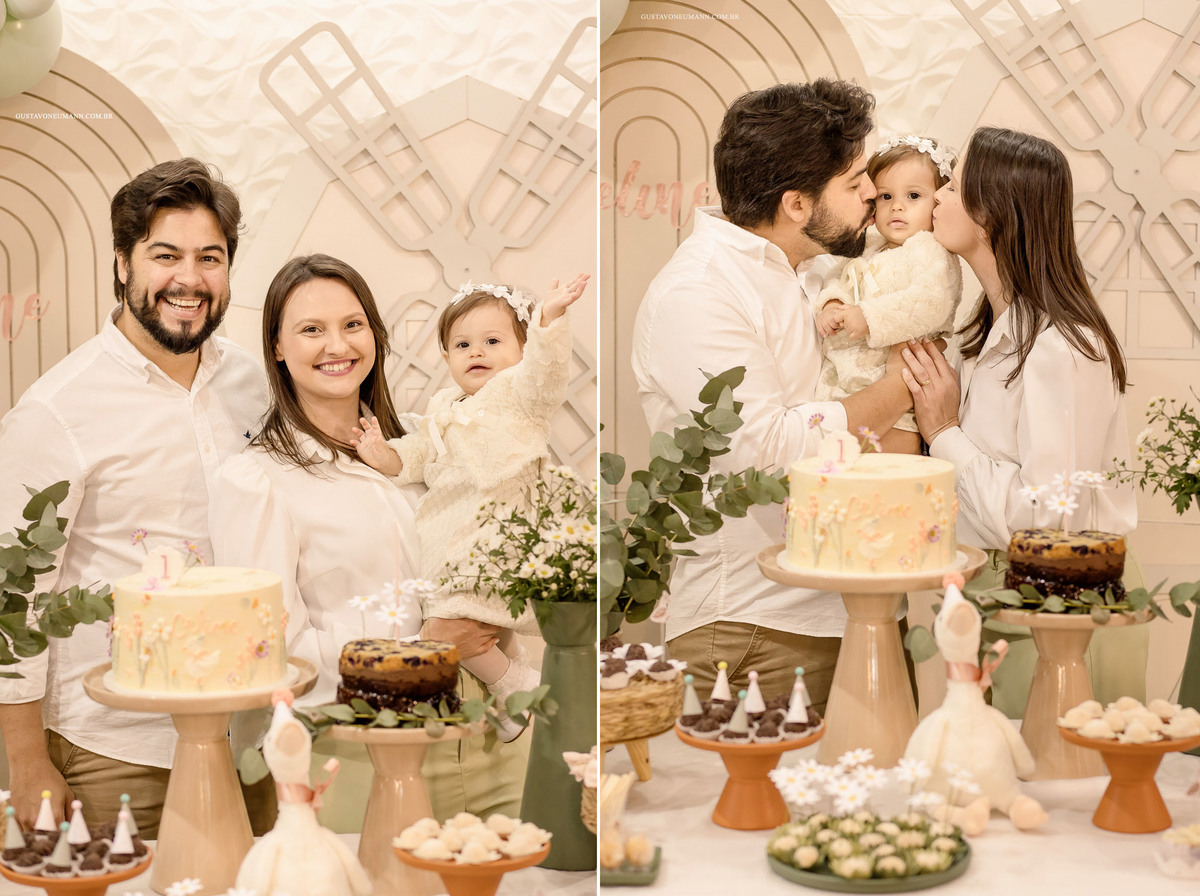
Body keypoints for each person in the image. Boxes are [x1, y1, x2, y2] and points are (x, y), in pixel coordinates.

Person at [0, 159, 268, 837]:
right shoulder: (56, 410)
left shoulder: (255, 381)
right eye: (165, 255)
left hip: (251, 735)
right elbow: (13, 598)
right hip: (117, 749)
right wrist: (27, 762)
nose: (190, 279)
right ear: (123, 265)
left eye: (210, 257)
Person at [630, 79, 917, 708]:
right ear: (795, 203)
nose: (873, 193)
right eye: (854, 182)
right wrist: (905, 388)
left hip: (866, 604)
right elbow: (770, 453)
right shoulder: (699, 294)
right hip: (759, 626)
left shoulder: (817, 269)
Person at [209, 255, 525, 827]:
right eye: (311, 330)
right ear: (277, 348)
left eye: (353, 325)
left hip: (487, 739)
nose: (337, 345)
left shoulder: (428, 442)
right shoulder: (257, 479)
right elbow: (272, 653)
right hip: (354, 750)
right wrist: (420, 654)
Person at [899, 126, 1145, 716]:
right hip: (999, 597)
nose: (934, 197)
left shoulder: (1063, 346)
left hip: (1061, 609)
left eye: (952, 185)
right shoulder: (984, 334)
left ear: (990, 212)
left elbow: (1048, 518)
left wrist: (944, 435)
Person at [353, 274, 587, 742]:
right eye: (462, 344)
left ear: (521, 351)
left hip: (502, 532)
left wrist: (548, 320)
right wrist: (384, 454)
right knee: (476, 620)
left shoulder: (520, 396)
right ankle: (515, 678)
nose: (476, 352)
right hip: (450, 531)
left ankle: (517, 688)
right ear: (446, 358)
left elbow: (546, 373)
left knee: (453, 617)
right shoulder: (442, 407)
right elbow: (418, 454)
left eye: (493, 340)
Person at [815, 135, 963, 454]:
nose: (897, 206)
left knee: (890, 477)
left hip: (899, 402)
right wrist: (834, 302)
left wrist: (869, 316)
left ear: (937, 203)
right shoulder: (868, 246)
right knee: (838, 467)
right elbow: (840, 277)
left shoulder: (930, 251)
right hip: (845, 382)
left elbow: (930, 304)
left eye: (913, 195)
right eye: (885, 196)